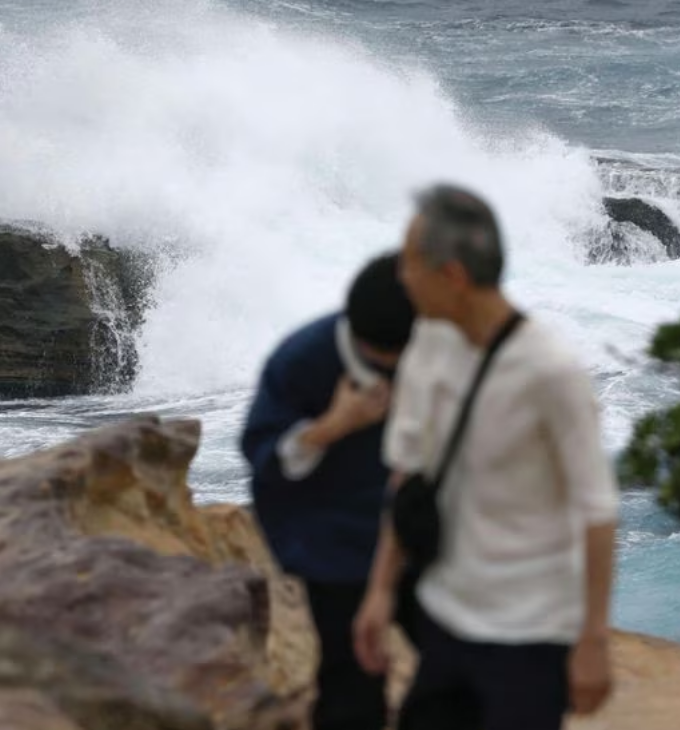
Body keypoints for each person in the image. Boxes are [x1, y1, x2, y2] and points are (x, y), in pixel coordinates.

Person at [353, 185, 619, 730]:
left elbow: (598, 509)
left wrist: (592, 639)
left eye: (410, 263)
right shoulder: (427, 343)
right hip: (446, 618)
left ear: (451, 275)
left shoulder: (549, 372)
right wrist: (380, 591)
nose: (401, 276)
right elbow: (407, 473)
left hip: (531, 637)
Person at [241, 252, 417, 730]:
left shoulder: (436, 346)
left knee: (461, 660)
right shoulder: (303, 359)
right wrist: (334, 425)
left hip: (417, 526)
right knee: (354, 683)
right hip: (329, 537)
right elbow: (266, 462)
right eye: (383, 362)